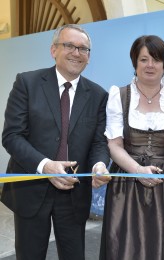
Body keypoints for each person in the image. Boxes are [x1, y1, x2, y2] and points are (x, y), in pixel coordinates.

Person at [1, 24, 111, 260]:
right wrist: (45, 165)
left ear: (89, 57)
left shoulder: (99, 95)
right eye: (69, 45)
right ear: (53, 50)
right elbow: (11, 136)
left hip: (74, 193)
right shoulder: (27, 83)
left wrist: (99, 165)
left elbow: (99, 144)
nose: (76, 52)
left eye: (83, 49)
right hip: (31, 188)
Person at [100, 35, 164, 260]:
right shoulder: (119, 96)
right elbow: (114, 145)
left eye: (156, 59)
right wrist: (137, 170)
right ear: (135, 63)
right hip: (126, 183)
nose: (150, 65)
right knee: (124, 247)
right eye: (144, 59)